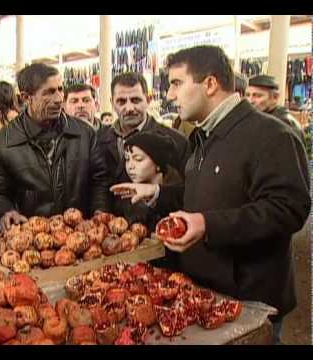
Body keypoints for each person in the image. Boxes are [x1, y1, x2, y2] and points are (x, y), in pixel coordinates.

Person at [112, 45, 310, 345]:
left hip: (250, 299)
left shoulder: (271, 135)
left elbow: (288, 209)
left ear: (210, 83)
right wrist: (156, 193)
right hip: (206, 293)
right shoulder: (202, 136)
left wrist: (208, 225)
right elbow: (201, 195)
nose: (169, 95)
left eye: (177, 83)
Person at [0, 63, 110, 231]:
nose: (58, 99)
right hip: (31, 242)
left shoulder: (85, 134)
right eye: (49, 93)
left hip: (81, 237)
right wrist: (6, 211)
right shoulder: (1, 144)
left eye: (60, 89)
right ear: (26, 98)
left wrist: (99, 215)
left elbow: (100, 180)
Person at [99, 72, 190, 224]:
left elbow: (188, 195)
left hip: (160, 236)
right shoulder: (99, 141)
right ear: (112, 103)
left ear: (148, 100)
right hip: (110, 237)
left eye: (135, 100)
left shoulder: (176, 142)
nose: (129, 108)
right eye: (121, 101)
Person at [123, 130, 182, 229]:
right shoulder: (127, 194)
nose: (130, 166)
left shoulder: (179, 195)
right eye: (127, 159)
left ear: (158, 163)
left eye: (138, 159)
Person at [247, 74, 306, 146]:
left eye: (258, 96)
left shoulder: (283, 124)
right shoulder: (266, 119)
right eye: (248, 95)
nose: (250, 101)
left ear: (275, 97)